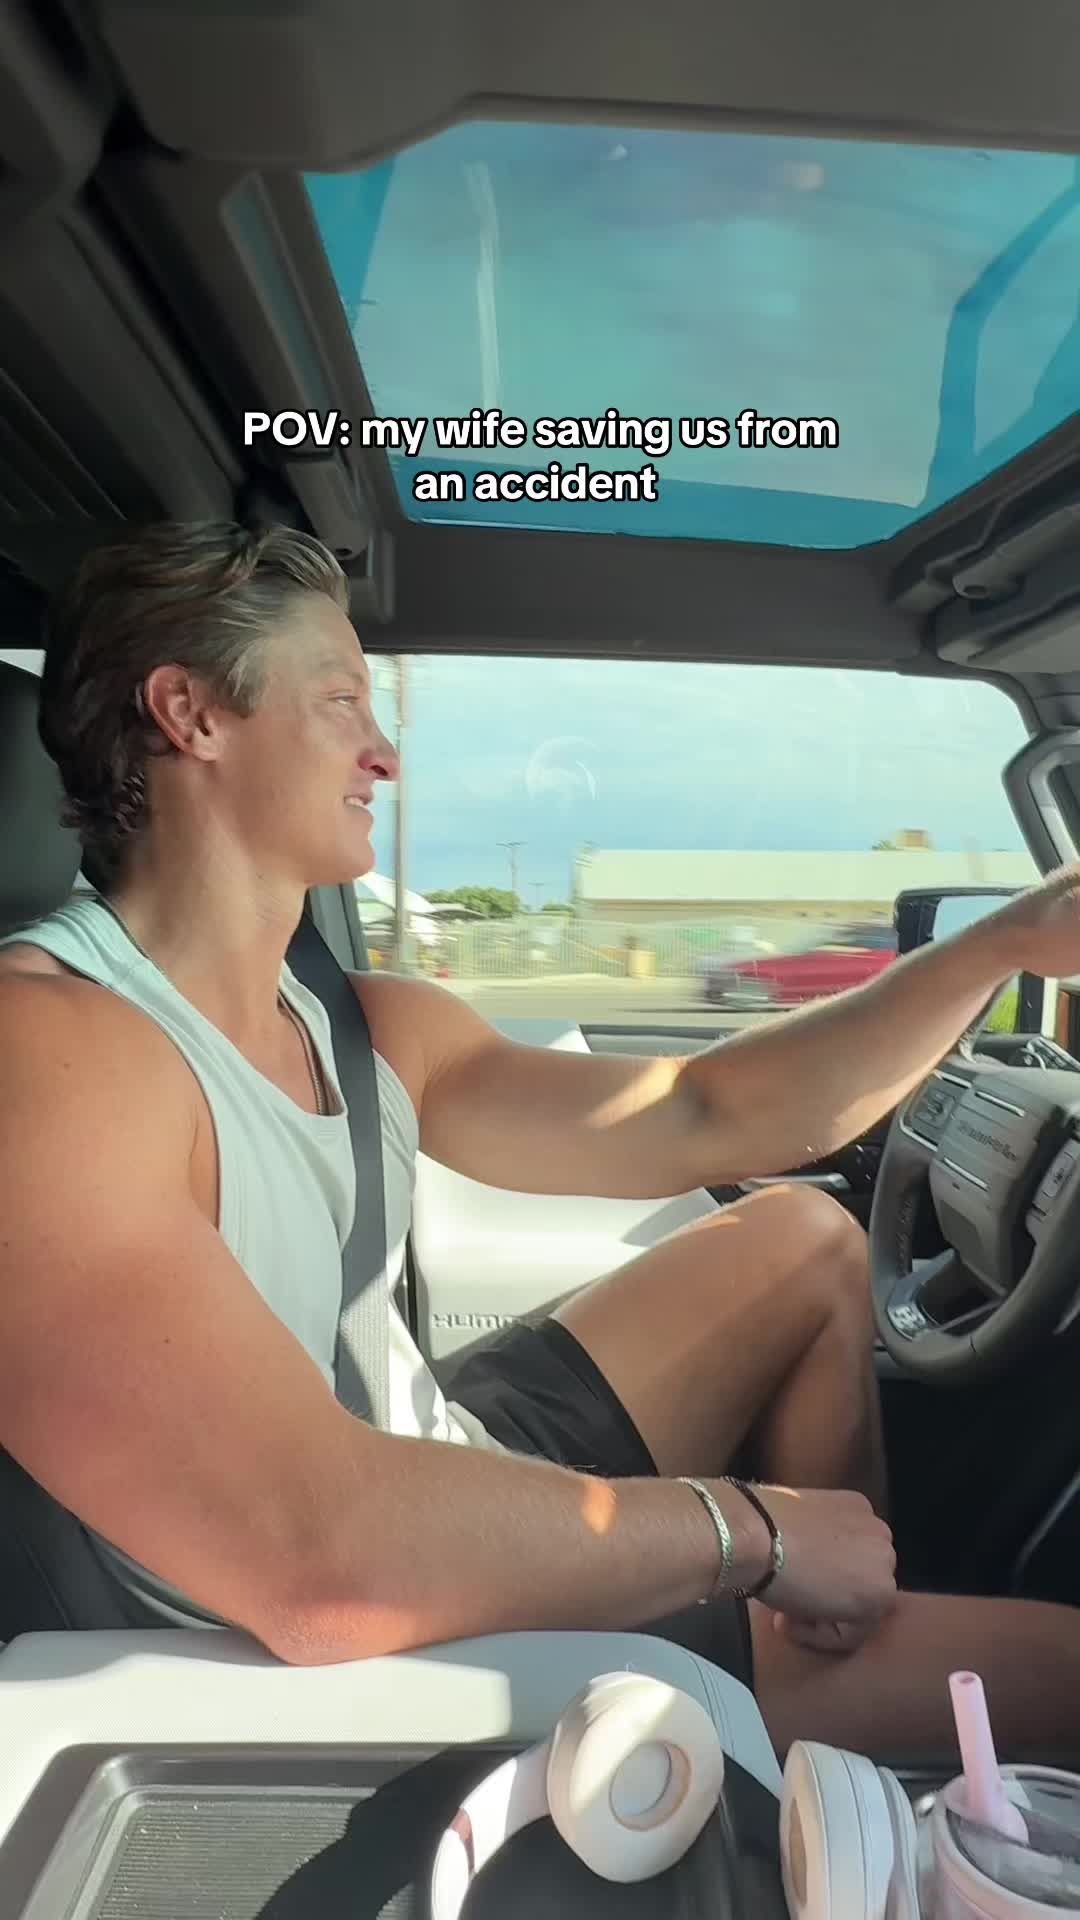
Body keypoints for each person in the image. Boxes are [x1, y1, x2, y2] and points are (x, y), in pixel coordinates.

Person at [0, 520, 1077, 1765]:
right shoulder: (54, 1052)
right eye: (341, 701)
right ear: (189, 714)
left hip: (416, 1457)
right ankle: (838, 1711)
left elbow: (709, 1113)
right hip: (338, 1639)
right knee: (1065, 1675)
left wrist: (1003, 944)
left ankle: (834, 1688)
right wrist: (753, 1534)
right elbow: (316, 1557)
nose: (384, 753)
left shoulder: (355, 1022)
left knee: (802, 1237)